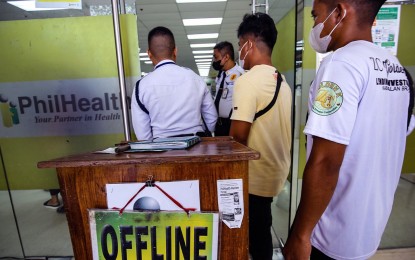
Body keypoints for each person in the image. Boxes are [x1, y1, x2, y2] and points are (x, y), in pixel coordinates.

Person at [283, 1, 410, 260]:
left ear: (339, 13)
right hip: (369, 227)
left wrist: (300, 234)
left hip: (331, 232)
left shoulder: (341, 64)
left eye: (315, 16)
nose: (314, 25)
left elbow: (325, 161)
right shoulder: (395, 67)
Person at [230, 13, 292, 260]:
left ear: (249, 43)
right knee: (261, 228)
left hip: (255, 177)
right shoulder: (281, 79)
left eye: (239, 46)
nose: (239, 53)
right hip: (275, 171)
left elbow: (238, 139)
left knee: (254, 235)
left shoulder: (248, 82)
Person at [131, 26, 217, 140]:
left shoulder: (141, 86)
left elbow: (142, 134)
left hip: (161, 150)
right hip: (197, 147)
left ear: (149, 53)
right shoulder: (196, 79)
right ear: (175, 50)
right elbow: (211, 120)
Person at [212, 41, 245, 136]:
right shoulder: (221, 74)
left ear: (226, 57)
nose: (214, 61)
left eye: (216, 57)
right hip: (219, 124)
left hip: (231, 124)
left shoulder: (240, 75)